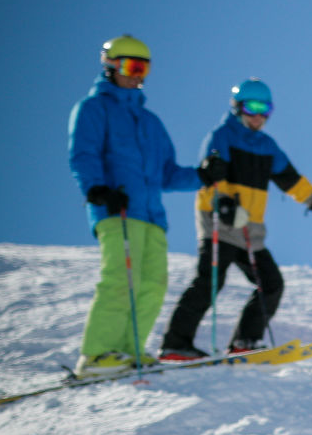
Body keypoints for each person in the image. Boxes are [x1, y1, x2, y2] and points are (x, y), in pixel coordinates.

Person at [67, 35, 226, 377]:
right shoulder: (94, 108)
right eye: (130, 66)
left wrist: (202, 176)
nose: (137, 74)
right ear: (110, 65)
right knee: (120, 279)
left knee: (153, 282)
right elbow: (84, 153)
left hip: (152, 215)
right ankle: (96, 355)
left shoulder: (150, 122)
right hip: (117, 209)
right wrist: (97, 188)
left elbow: (167, 173)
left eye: (144, 68)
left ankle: (129, 350)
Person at [158, 79, 312, 360]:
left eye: (265, 109)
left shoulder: (268, 146)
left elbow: (294, 184)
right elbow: (213, 177)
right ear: (237, 107)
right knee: (210, 281)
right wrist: (226, 207)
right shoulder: (222, 136)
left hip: (250, 230)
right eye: (252, 107)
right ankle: (175, 344)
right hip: (219, 222)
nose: (258, 116)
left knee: (271, 283)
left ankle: (246, 341)